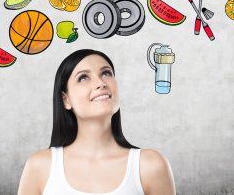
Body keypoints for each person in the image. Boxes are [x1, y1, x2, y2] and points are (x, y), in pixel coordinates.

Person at [18, 49, 176, 195]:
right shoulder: (39, 166)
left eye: (106, 73)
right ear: (66, 99)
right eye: (83, 77)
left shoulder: (151, 166)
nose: (101, 83)